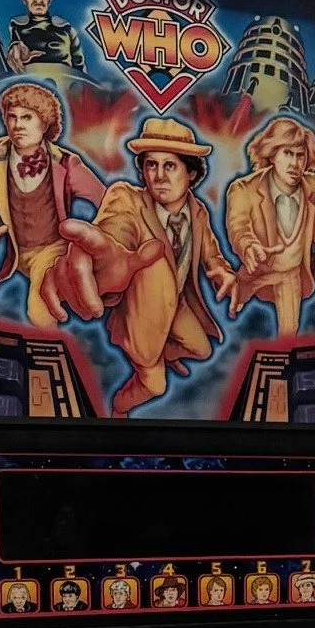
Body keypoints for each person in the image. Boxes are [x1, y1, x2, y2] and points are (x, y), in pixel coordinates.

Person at [86, 116, 230, 416]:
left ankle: (161, 352)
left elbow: (211, 256)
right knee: (155, 386)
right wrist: (109, 254)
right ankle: (118, 410)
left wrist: (221, 272)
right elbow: (114, 230)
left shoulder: (197, 211)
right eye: (151, 165)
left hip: (176, 304)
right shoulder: (126, 199)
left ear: (191, 173)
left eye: (170, 166)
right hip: (139, 316)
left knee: (201, 349)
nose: (159, 176)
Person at [0, 82, 109, 327]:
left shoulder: (66, 163)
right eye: (11, 117)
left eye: (26, 117)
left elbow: (107, 200)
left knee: (39, 311)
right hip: (16, 254)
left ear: (44, 123)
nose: (17, 125)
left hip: (50, 250)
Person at [223, 116, 315, 339]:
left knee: (288, 335)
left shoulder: (312, 185)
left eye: (300, 156)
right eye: (287, 154)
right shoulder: (244, 189)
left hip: (291, 271)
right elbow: (238, 226)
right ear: (272, 154)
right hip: (258, 269)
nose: (295, 164)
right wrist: (248, 246)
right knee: (232, 305)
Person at [3, 0, 86, 78]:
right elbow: (16, 47)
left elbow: (80, 69)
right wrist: (16, 50)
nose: (38, 0)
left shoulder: (66, 29)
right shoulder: (17, 26)